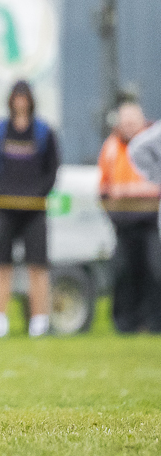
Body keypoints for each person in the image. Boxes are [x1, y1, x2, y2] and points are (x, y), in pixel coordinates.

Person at [0, 80, 59, 338]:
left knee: (38, 267)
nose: (21, 102)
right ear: (11, 100)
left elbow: (52, 169)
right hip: (4, 209)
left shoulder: (44, 132)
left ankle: (39, 321)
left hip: (35, 210)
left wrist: (38, 195)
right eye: (17, 97)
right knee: (1, 266)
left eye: (25, 97)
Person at [98, 101, 161, 333]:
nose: (129, 127)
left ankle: (155, 323)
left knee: (155, 270)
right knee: (123, 272)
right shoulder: (111, 147)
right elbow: (103, 186)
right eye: (125, 122)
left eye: (133, 122)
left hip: (150, 220)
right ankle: (125, 324)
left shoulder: (152, 145)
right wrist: (112, 213)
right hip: (122, 222)